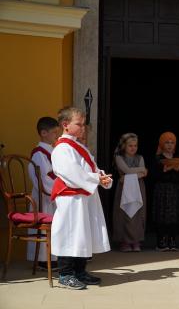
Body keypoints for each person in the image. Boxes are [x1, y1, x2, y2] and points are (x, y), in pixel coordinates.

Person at [51, 106, 112, 290]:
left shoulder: (78, 146)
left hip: (84, 196)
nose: (83, 128)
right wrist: (95, 179)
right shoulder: (62, 148)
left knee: (82, 234)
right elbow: (72, 173)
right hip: (71, 198)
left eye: (84, 124)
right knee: (70, 233)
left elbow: (91, 167)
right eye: (79, 124)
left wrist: (101, 177)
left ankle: (79, 271)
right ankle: (65, 273)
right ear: (65, 125)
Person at [27, 117, 60, 270]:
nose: (56, 135)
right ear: (43, 133)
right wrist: (60, 187)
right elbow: (43, 178)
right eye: (54, 133)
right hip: (44, 197)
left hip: (53, 195)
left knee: (56, 226)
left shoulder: (51, 151)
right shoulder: (39, 153)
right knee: (44, 226)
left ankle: (53, 257)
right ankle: (42, 259)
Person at [113, 133, 147, 252]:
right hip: (124, 188)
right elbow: (126, 170)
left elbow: (143, 173)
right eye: (130, 146)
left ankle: (136, 240)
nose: (133, 148)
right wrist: (140, 171)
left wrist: (129, 175)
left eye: (135, 145)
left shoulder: (140, 158)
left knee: (138, 213)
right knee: (124, 213)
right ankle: (125, 241)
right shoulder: (119, 157)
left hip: (138, 187)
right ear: (124, 146)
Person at [153, 132, 179, 251]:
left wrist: (178, 170)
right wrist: (164, 171)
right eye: (167, 142)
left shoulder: (178, 158)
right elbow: (153, 176)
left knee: (174, 215)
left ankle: (172, 240)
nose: (170, 145)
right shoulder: (157, 159)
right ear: (161, 144)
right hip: (161, 190)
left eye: (172, 143)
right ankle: (161, 241)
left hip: (174, 190)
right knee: (161, 214)